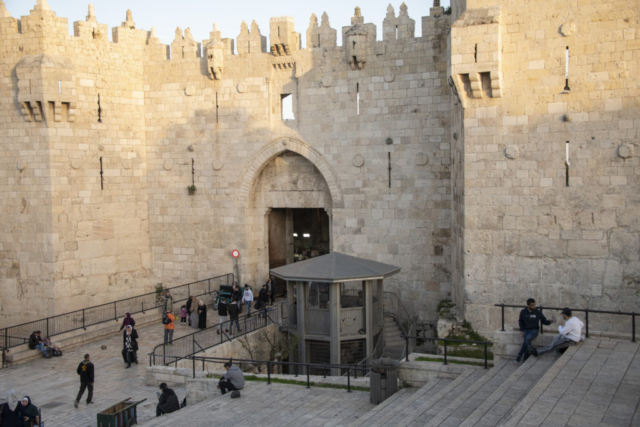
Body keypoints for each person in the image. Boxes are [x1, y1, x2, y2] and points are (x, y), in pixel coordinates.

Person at [516, 298, 554, 363]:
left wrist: (550, 321)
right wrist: (521, 330)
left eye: (534, 305)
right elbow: (521, 321)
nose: (534, 307)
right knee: (527, 342)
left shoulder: (537, 312)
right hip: (526, 329)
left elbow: (544, 321)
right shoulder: (523, 312)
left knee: (527, 339)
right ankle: (525, 359)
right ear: (528, 305)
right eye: (532, 305)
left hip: (534, 330)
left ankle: (519, 355)